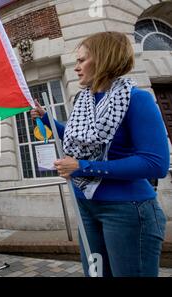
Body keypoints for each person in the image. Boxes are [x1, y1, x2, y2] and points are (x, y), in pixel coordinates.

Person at [30, 32, 169, 277]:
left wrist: (82, 167)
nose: (76, 68)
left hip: (126, 209)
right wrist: (46, 118)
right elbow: (78, 137)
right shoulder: (85, 101)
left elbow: (155, 163)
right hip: (86, 204)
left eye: (82, 60)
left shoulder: (137, 99)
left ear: (104, 60)